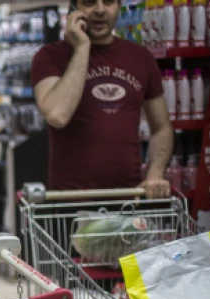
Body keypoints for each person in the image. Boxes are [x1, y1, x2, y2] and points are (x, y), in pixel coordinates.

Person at [31, 0, 173, 198]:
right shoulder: (50, 57)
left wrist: (155, 174)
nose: (99, 10)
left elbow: (162, 127)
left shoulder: (141, 58)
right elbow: (57, 114)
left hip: (130, 199)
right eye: (89, 2)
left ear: (119, 6)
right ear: (74, 9)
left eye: (108, 2)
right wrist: (82, 48)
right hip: (68, 204)